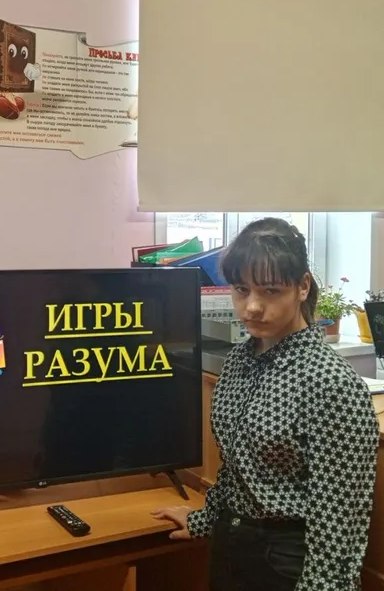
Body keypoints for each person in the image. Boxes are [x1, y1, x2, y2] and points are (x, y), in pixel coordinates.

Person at [152, 217, 380, 591]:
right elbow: (236, 467)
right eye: (242, 290)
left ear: (302, 286)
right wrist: (205, 519)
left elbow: (340, 518)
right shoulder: (239, 361)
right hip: (231, 543)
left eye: (271, 291)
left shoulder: (330, 381)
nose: (252, 307)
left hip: (291, 559)